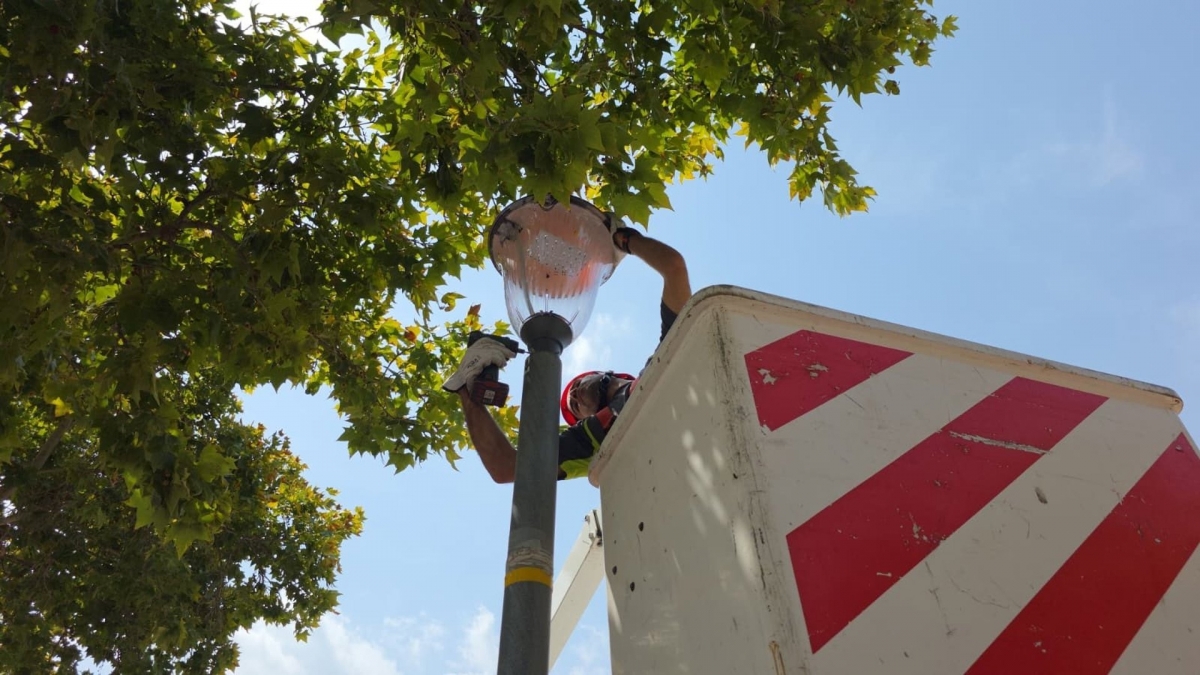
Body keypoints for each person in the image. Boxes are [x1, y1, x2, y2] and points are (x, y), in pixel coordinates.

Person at [442, 225, 692, 483]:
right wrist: (467, 392)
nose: (574, 397)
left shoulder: (665, 361)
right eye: (575, 408)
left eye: (576, 387)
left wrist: (624, 240)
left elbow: (673, 268)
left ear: (602, 373)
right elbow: (506, 468)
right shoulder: (592, 439)